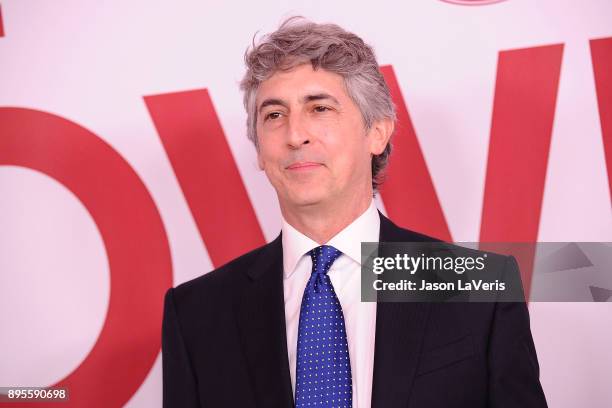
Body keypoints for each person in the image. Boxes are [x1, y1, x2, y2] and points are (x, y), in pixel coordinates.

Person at [162, 17, 548, 408]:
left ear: (377, 132)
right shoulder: (196, 314)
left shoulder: (479, 289)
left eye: (320, 108)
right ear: (260, 150)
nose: (296, 135)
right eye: (274, 115)